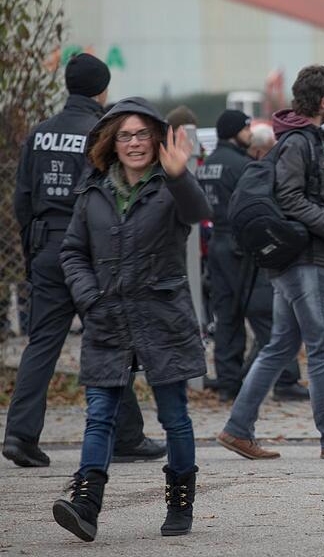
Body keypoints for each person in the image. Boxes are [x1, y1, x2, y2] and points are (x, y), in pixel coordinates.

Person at [53, 98, 212, 541]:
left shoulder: (170, 186)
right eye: (125, 135)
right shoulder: (93, 191)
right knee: (99, 414)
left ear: (157, 138)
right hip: (108, 316)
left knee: (174, 416)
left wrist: (180, 174)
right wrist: (89, 298)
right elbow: (72, 253)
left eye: (143, 134)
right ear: (111, 141)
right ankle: (86, 504)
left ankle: (180, 500)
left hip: (162, 315)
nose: (135, 143)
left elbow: (199, 213)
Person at [217, 65, 324, 461]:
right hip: (308, 260)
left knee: (279, 347)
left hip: (303, 260)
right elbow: (291, 198)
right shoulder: (299, 143)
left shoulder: (302, 139)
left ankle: (238, 428)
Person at [4, 54, 165, 469]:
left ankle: (20, 436)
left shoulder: (38, 135)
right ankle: (127, 437)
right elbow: (111, 197)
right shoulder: (100, 136)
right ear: (102, 91)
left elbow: (22, 200)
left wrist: (35, 249)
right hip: (91, 254)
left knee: (42, 344)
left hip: (45, 249)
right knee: (112, 338)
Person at [198, 109, 307, 402]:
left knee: (227, 318)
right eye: (246, 129)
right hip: (242, 248)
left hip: (217, 247)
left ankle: (228, 382)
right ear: (236, 131)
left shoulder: (207, 164)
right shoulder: (243, 165)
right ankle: (286, 380)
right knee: (264, 313)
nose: (250, 134)